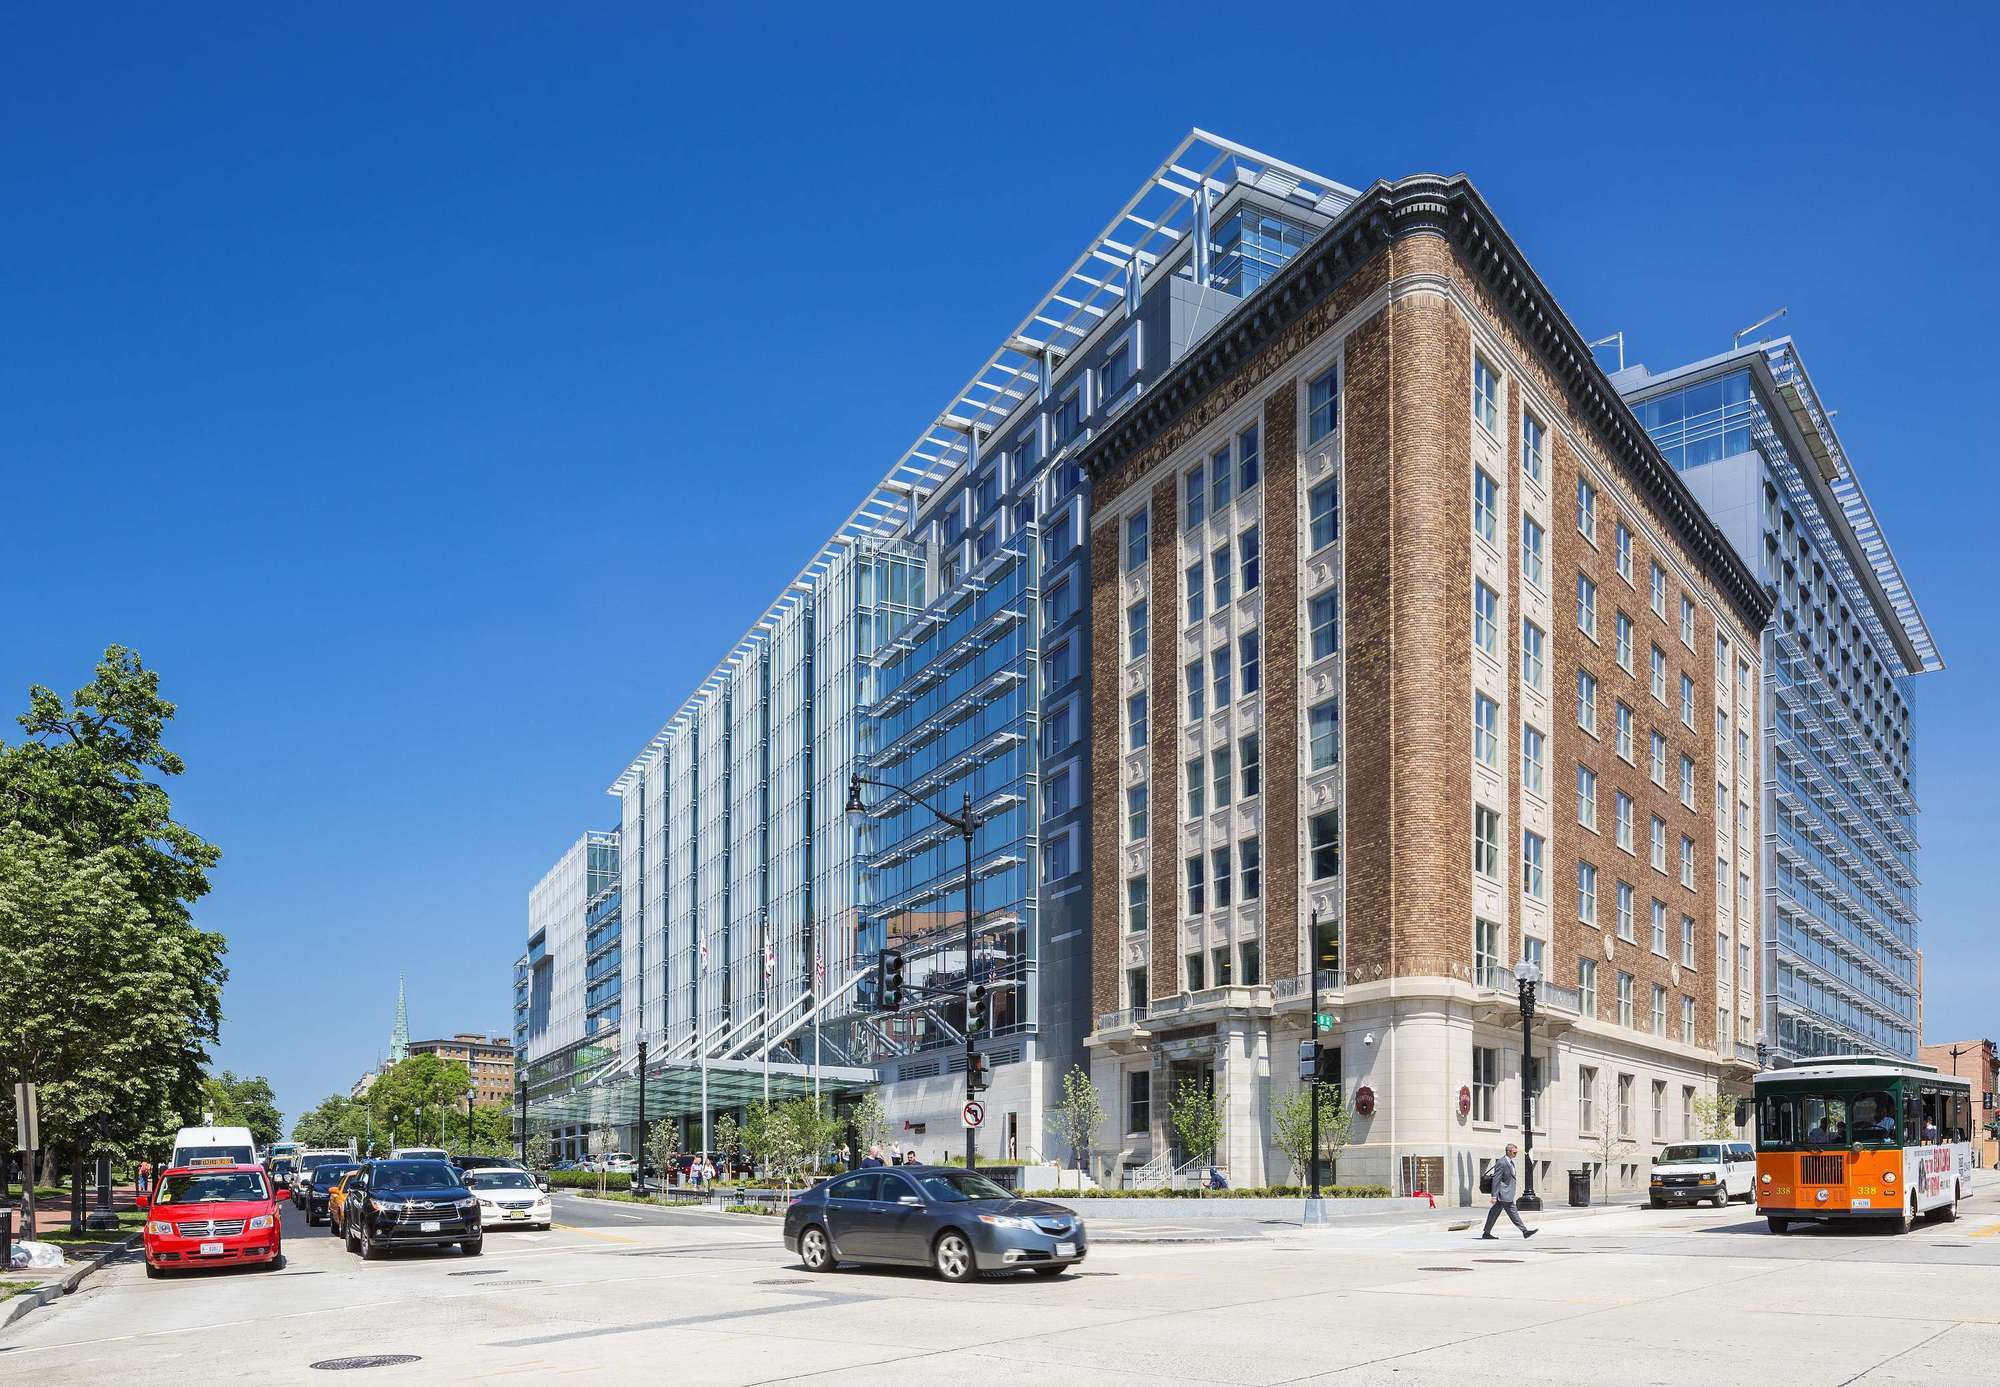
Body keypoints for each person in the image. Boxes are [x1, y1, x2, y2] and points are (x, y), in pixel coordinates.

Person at [1480, 1144, 1537, 1240]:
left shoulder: (1510, 1162)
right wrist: (1494, 1196)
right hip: (1503, 1194)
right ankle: (1524, 1231)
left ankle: (1486, 1232)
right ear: (1508, 1151)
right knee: (1512, 1211)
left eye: (1516, 1152)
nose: (1516, 1154)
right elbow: (1496, 1180)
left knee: (1494, 1213)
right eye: (1514, 1152)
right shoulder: (1502, 1163)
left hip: (1506, 1193)